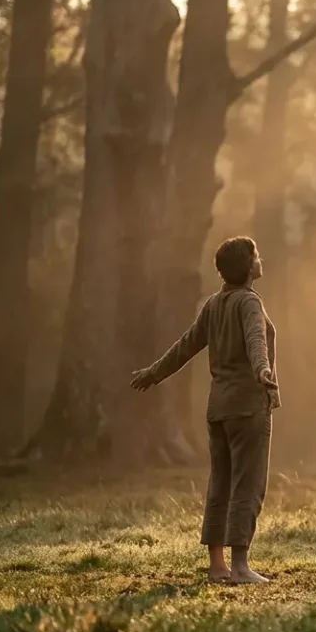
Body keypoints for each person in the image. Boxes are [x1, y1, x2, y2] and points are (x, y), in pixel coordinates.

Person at [129, 236, 279, 585]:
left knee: (220, 485)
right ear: (247, 266)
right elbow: (256, 340)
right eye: (256, 255)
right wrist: (262, 371)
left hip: (218, 411)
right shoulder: (249, 302)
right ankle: (240, 567)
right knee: (248, 484)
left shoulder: (214, 304)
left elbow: (185, 346)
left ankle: (217, 566)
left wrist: (153, 373)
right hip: (247, 408)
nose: (260, 259)